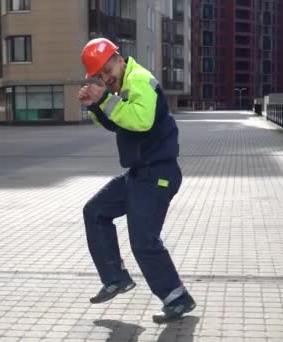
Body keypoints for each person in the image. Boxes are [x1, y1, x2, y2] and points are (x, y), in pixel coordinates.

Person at [78, 37, 196, 323]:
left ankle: (177, 297)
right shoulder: (121, 87)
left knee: (143, 240)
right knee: (95, 211)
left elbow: (141, 120)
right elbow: (117, 122)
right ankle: (116, 278)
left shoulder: (140, 79)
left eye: (108, 70)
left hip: (158, 174)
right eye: (101, 76)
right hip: (138, 173)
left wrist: (105, 99)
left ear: (119, 58)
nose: (107, 78)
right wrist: (96, 105)